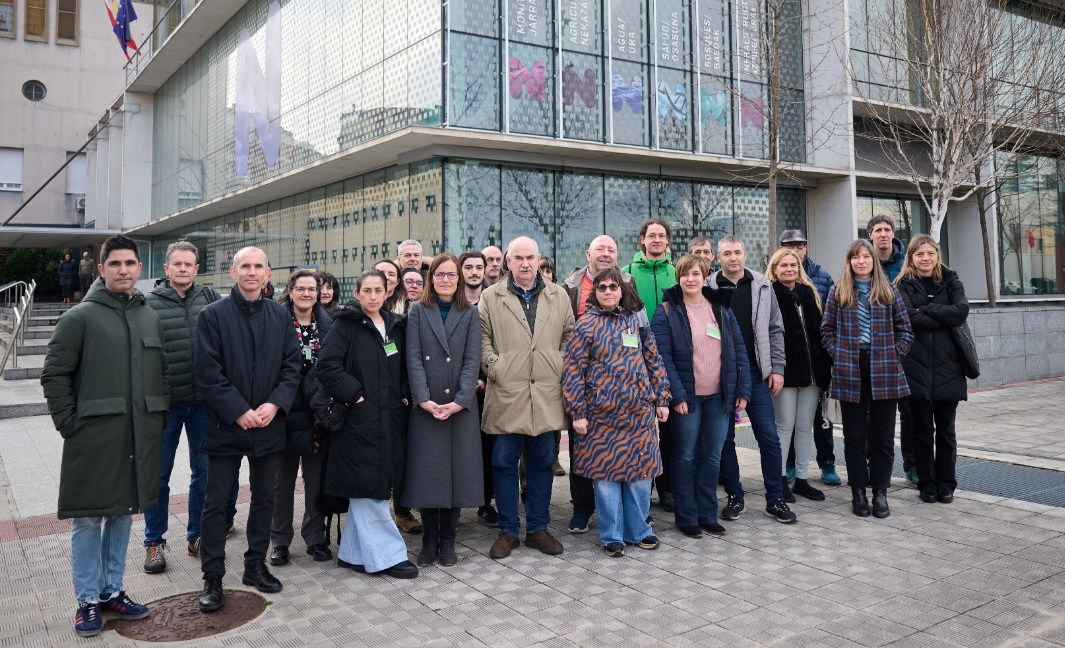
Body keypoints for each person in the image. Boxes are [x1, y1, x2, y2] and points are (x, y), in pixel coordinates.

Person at [41, 234, 166, 637]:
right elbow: (54, 375)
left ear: (139, 268)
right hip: (95, 436)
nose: (124, 270)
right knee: (88, 517)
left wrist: (155, 421)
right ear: (101, 269)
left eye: (130, 263)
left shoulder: (149, 316)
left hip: (137, 434)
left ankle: (113, 591)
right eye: (115, 264)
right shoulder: (79, 318)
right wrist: (70, 426)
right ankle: (86, 601)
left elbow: (159, 375)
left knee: (122, 512)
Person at [193, 247, 303, 612]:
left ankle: (255, 566)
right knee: (216, 503)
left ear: (268, 274)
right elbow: (207, 372)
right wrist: (239, 410)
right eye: (245, 266)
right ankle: (212, 577)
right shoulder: (213, 315)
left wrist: (274, 404)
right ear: (233, 271)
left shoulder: (280, 316)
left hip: (269, 423)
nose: (252, 272)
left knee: (264, 499)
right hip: (227, 424)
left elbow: (292, 368)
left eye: (258, 267)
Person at [316, 269, 419, 579]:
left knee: (371, 485)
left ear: (387, 293)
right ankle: (388, 557)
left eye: (379, 290)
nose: (373, 296)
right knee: (369, 490)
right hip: (358, 422)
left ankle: (352, 553)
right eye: (367, 291)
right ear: (357, 293)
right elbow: (326, 367)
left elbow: (401, 367)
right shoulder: (346, 325)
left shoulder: (395, 326)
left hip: (388, 420)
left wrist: (403, 394)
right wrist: (355, 395)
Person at [563, 267, 670, 556]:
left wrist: (661, 398)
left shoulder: (635, 323)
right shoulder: (585, 326)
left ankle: (639, 530)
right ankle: (611, 536)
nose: (608, 291)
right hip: (600, 417)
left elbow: (654, 361)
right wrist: (577, 412)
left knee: (640, 476)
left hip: (638, 415)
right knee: (606, 480)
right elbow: (573, 372)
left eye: (613, 287)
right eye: (602, 287)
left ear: (622, 291)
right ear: (595, 293)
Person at [480, 236, 574, 559]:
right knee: (503, 463)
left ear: (538, 260)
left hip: (546, 392)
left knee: (541, 462)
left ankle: (537, 528)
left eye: (530, 257)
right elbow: (482, 339)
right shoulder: (490, 297)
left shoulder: (558, 295)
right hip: (507, 391)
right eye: (518, 257)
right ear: (507, 261)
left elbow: (569, 335)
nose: (524, 263)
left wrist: (558, 363)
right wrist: (496, 367)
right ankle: (508, 531)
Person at [652, 254, 751, 538]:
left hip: (719, 398)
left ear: (704, 275)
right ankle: (686, 517)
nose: (690, 279)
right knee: (684, 456)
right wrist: (677, 395)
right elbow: (663, 358)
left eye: (695, 274)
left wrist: (742, 390)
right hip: (688, 399)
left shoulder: (720, 308)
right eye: (685, 274)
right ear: (678, 278)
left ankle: (707, 514)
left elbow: (738, 351)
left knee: (712, 457)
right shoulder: (667, 310)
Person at [821, 240, 912, 519]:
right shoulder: (839, 291)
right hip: (851, 369)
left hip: (884, 368)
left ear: (873, 260)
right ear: (849, 262)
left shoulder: (889, 291)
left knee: (883, 437)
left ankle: (880, 493)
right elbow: (827, 331)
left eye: (866, 257)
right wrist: (842, 354)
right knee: (854, 437)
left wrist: (892, 354)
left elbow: (905, 332)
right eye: (855, 257)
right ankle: (858, 491)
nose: (861, 261)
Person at [403, 253, 484, 567]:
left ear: (459, 279)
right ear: (431, 277)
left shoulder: (470, 313)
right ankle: (429, 540)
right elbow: (413, 357)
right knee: (429, 476)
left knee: (456, 476)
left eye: (452, 275)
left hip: (458, 408)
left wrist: (461, 401)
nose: (447, 279)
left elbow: (471, 361)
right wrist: (422, 397)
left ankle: (448, 540)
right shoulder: (417, 311)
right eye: (441, 274)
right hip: (428, 406)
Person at [142, 241, 217, 574]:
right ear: (166, 268)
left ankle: (197, 535)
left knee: (204, 473)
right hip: (166, 405)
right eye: (177, 264)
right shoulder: (147, 304)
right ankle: (154, 542)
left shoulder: (210, 300)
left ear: (196, 269)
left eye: (189, 264)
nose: (183, 269)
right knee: (158, 475)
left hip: (203, 403)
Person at [709, 236, 796, 523]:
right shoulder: (709, 287)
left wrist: (778, 368)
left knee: (769, 438)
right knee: (725, 440)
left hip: (758, 373)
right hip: (722, 375)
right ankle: (735, 495)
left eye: (737, 253)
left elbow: (775, 329)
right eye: (727, 254)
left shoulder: (762, 284)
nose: (733, 258)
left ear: (745, 255)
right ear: (718, 258)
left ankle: (775, 498)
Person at [560, 235, 642, 532]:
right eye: (600, 249)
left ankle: (625, 512)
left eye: (611, 250)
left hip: (623, 384)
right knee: (582, 447)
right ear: (588, 253)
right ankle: (582, 507)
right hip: (583, 380)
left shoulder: (628, 282)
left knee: (622, 449)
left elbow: (641, 329)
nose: (606, 254)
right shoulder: (568, 286)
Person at [895, 235, 969, 504]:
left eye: (930, 253)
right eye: (919, 254)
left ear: (937, 255)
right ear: (911, 258)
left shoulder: (951, 280)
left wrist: (926, 308)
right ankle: (926, 483)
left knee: (946, 431)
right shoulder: (902, 284)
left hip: (948, 367)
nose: (925, 258)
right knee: (922, 430)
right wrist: (941, 313)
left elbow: (960, 311)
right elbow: (907, 316)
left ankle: (947, 483)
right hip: (914, 367)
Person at [269, 270, 334, 568]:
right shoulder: (275, 321)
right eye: (301, 289)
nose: (307, 294)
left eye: (312, 289)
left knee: (315, 482)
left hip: (317, 415)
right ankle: (280, 541)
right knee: (281, 484)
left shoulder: (329, 324)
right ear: (290, 291)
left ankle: (315, 538)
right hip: (283, 413)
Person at [765, 247, 831, 503]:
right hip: (785, 373)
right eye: (783, 265)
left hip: (813, 373)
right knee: (783, 427)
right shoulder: (770, 294)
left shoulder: (809, 293)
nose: (789, 269)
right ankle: (779, 480)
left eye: (793, 265)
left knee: (805, 427)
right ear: (774, 269)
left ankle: (802, 479)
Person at [622, 220, 678, 512]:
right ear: (642, 240)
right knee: (641, 427)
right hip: (636, 359)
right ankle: (639, 485)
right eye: (651, 235)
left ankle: (666, 487)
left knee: (668, 427)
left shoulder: (676, 273)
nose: (657, 240)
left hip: (671, 357)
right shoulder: (627, 274)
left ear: (667, 241)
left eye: (662, 236)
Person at [778, 229, 840, 486]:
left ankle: (827, 463)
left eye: (799, 245)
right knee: (787, 423)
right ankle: (788, 467)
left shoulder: (823, 278)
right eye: (789, 246)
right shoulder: (772, 282)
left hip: (817, 362)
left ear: (806, 247)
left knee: (820, 420)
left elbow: (830, 319)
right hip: (789, 367)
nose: (795, 250)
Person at [866, 214, 916, 486]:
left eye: (887, 230)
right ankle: (872, 462)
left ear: (892, 233)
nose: (883, 234)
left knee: (909, 412)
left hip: (901, 350)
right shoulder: (862, 261)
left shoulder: (905, 264)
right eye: (877, 230)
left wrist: (899, 349)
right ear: (870, 234)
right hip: (870, 354)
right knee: (872, 415)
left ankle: (912, 465)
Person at [460, 251, 498, 525]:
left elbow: (497, 343)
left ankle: (486, 503)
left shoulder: (493, 301)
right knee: (460, 448)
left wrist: (484, 376)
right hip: (456, 388)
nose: (474, 272)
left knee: (487, 449)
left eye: (478, 267)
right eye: (469, 267)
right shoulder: (453, 301)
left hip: (487, 389)